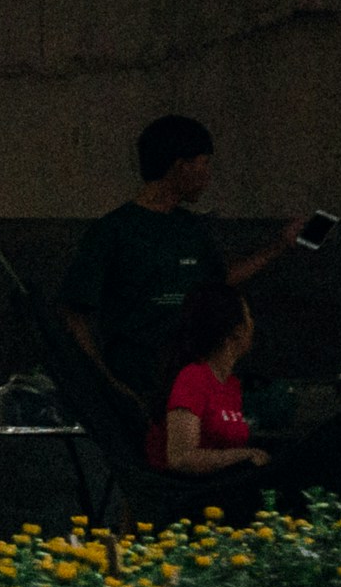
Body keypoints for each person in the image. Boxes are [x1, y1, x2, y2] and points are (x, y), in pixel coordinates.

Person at [58, 115, 311, 416]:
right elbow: (74, 312)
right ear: (181, 167)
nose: (208, 175)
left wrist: (279, 246)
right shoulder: (113, 231)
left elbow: (218, 280)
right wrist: (107, 383)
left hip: (189, 385)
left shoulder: (191, 228)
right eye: (203, 164)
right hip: (137, 384)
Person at [148, 280, 270, 473]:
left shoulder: (230, 385)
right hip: (186, 489)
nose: (252, 323)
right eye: (248, 315)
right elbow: (180, 458)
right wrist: (244, 456)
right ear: (236, 331)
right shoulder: (194, 378)